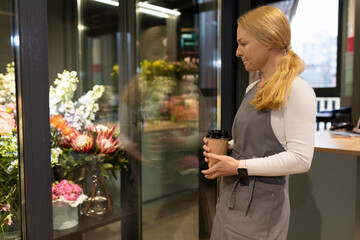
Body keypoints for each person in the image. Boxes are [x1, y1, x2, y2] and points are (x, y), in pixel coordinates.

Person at [201, 6, 317, 240]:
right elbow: (254, 142)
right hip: (231, 203)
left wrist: (238, 167)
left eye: (243, 43)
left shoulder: (297, 90)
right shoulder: (253, 88)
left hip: (261, 215)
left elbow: (300, 159)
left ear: (270, 40)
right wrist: (229, 149)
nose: (237, 52)